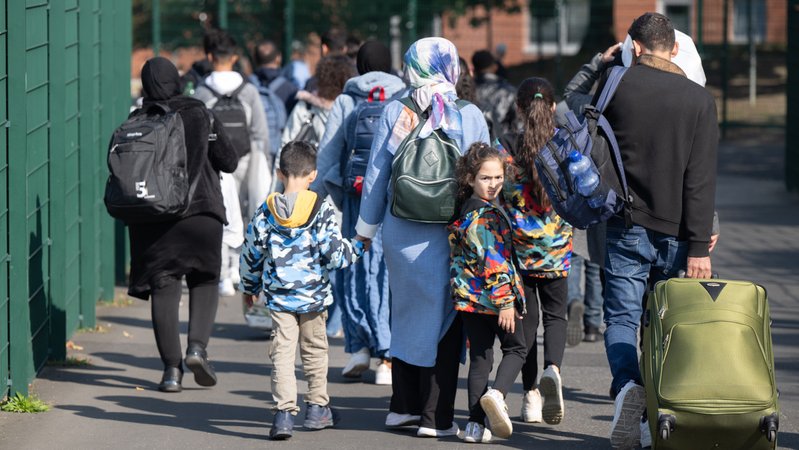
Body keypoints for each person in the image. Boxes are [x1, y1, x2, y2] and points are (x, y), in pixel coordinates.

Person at [355, 37, 489, 437]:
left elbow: (377, 174)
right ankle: (435, 418)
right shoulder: (468, 115)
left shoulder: (397, 109)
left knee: (407, 312)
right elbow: (483, 178)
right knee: (445, 320)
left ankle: (402, 407)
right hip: (450, 233)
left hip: (400, 231)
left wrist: (365, 230)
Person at [596, 13, 718, 449]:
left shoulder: (615, 86)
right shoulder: (699, 100)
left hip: (625, 223)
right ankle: (656, 418)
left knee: (623, 317)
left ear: (637, 47)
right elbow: (701, 179)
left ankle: (627, 386)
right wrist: (699, 246)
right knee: (667, 326)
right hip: (680, 232)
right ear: (676, 49)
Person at [239, 141, 366, 440]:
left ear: (280, 173)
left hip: (280, 298)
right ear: (313, 175)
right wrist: (358, 247)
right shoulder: (321, 210)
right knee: (315, 352)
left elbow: (251, 254)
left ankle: (283, 415)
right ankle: (317, 408)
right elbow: (335, 255)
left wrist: (249, 287)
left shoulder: (266, 211)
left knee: (282, 354)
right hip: (313, 297)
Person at [128, 57, 238, 392]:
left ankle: (171, 372)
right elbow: (229, 161)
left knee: (165, 287)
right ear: (176, 79)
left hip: (156, 221)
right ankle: (197, 347)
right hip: (202, 213)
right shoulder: (200, 112)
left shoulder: (138, 119)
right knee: (204, 280)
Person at [311, 40, 406, 385]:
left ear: (360, 65)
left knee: (355, 265)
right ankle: (388, 357)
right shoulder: (404, 96)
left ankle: (358, 348)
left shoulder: (347, 100)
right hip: (396, 200)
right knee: (387, 271)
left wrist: (316, 197)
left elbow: (329, 154)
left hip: (355, 197)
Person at [498, 78, 572, 427]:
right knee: (556, 315)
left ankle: (530, 396)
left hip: (519, 252)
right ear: (553, 107)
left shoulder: (506, 146)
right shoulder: (565, 143)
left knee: (528, 323)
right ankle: (553, 370)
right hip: (556, 249)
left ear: (518, 108)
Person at [449, 143, 527, 443]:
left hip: (468, 300)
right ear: (470, 178)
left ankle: (474, 426)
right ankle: (497, 394)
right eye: (485, 178)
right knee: (517, 347)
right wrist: (506, 302)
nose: (493, 184)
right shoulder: (487, 216)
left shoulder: (465, 208)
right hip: (494, 299)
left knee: (480, 359)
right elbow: (494, 262)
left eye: (497, 178)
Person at [193, 29, 270, 296]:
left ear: (210, 56)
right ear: (235, 56)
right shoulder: (248, 90)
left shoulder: (202, 90)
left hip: (215, 163)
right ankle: (240, 267)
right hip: (247, 158)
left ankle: (222, 274)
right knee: (246, 214)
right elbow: (260, 131)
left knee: (220, 214)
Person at [250, 39, 299, 160]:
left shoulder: (246, 86)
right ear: (278, 58)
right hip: (280, 151)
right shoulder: (289, 89)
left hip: (254, 150)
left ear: (255, 59)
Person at [472, 49, 517, 140]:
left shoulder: (468, 89)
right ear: (494, 67)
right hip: (502, 145)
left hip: (473, 144)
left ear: (474, 69)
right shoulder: (508, 91)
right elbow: (517, 124)